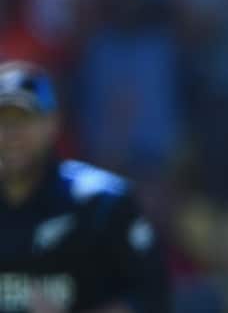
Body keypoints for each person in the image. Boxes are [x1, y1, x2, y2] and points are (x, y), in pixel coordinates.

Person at [0, 61, 170, 313]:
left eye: (24, 120)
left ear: (52, 124)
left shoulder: (103, 205)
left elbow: (152, 295)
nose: (11, 134)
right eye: (3, 121)